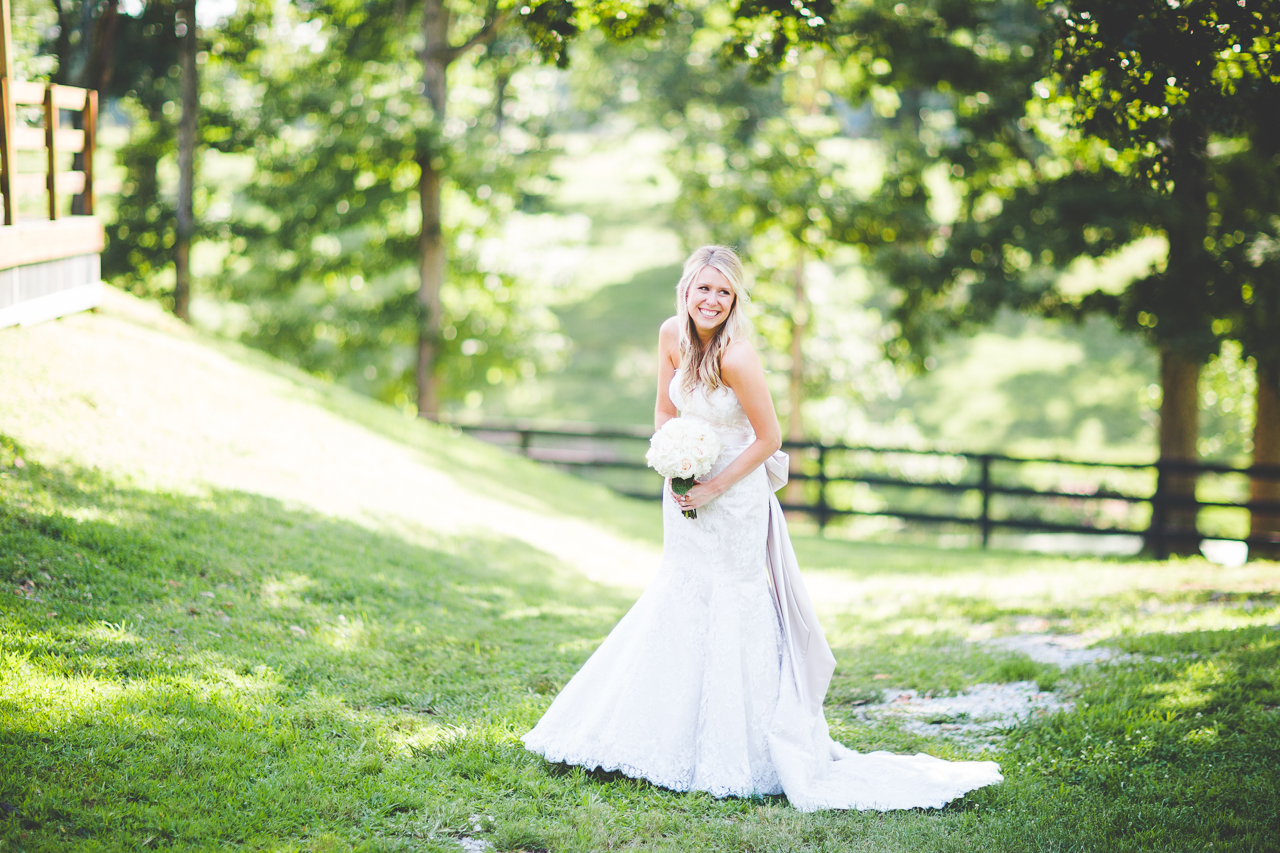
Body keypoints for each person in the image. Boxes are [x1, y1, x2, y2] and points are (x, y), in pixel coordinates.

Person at [521, 245, 1002, 811]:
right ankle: (651, 735)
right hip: (684, 491)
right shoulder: (670, 334)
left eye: (723, 292)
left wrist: (714, 485)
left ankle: (739, 749)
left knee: (732, 603)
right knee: (679, 595)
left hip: (736, 498)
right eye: (704, 288)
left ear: (734, 301)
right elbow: (662, 411)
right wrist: (676, 464)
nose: (711, 300)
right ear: (686, 288)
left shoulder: (738, 356)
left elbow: (769, 439)